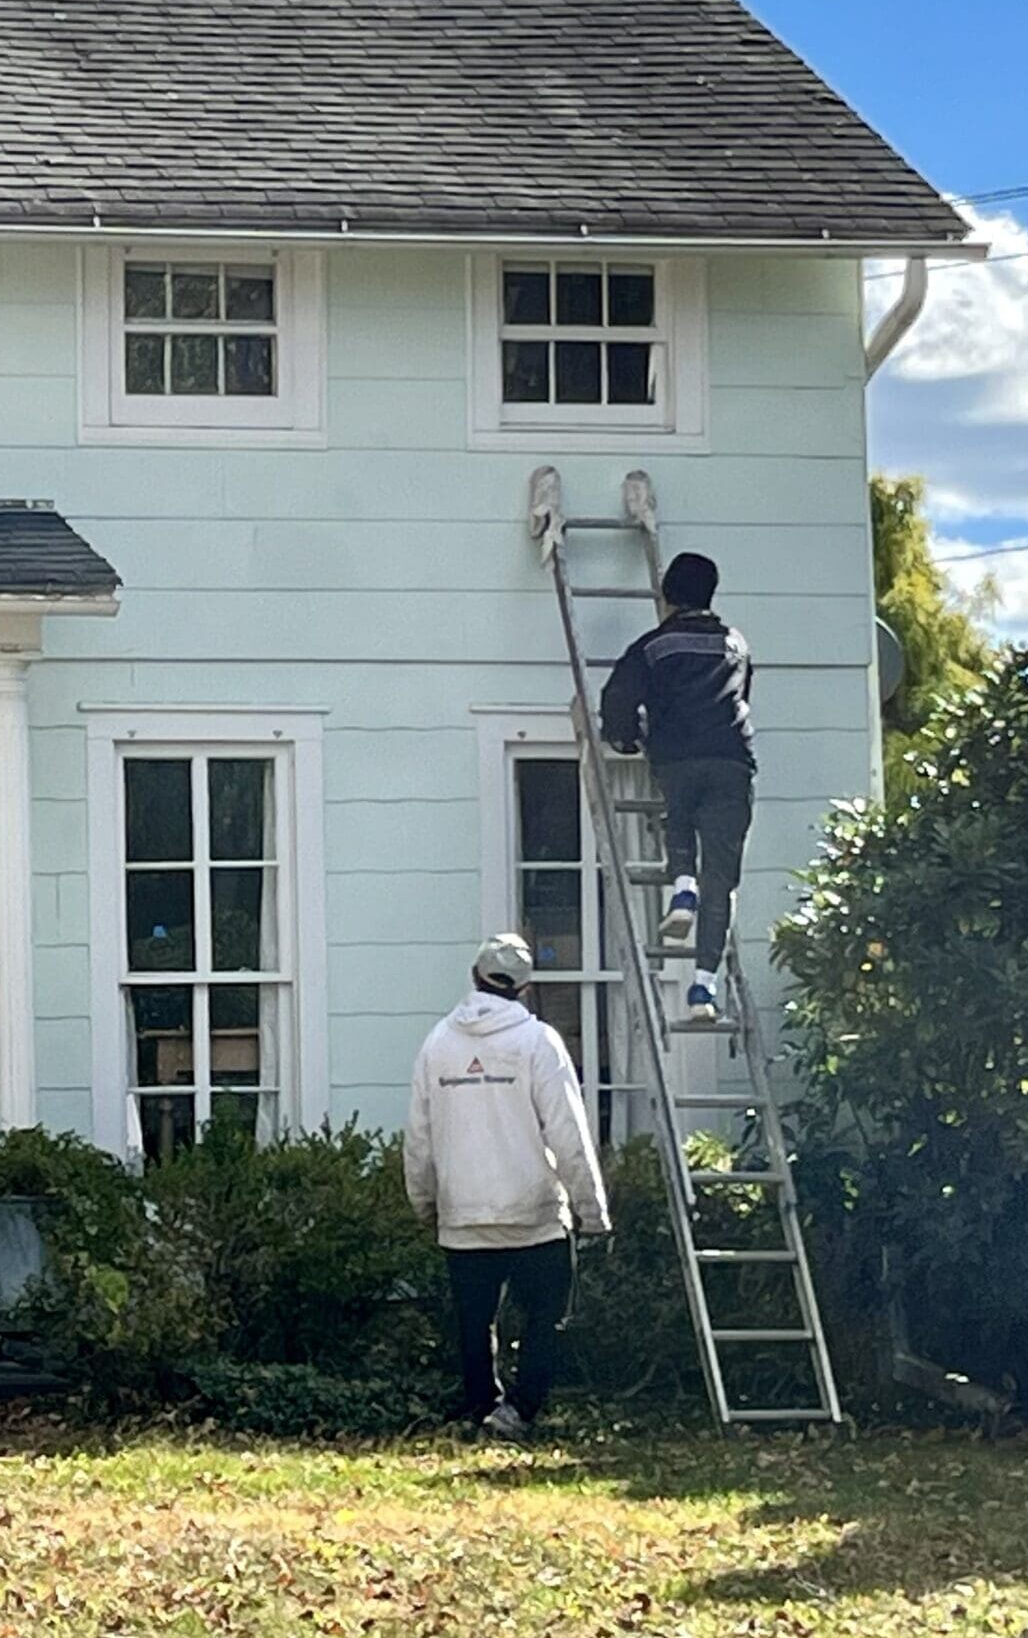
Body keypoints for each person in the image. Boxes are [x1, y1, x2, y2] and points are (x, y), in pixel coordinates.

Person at [405, 933, 611, 1441]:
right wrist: (591, 1208)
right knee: (546, 1319)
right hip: (535, 1214)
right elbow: (568, 1133)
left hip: (464, 1216)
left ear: (474, 976)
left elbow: (419, 1137)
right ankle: (520, 1409)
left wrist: (424, 1202)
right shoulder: (538, 1043)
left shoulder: (438, 1044)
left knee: (474, 1326)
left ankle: (482, 1407)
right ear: (525, 987)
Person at [597, 550, 754, 1021]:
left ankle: (682, 887)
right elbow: (744, 696)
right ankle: (703, 989)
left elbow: (617, 698)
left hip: (677, 754)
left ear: (666, 597)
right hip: (732, 759)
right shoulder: (737, 645)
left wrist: (624, 738)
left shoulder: (653, 647)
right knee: (722, 879)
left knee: (679, 817)